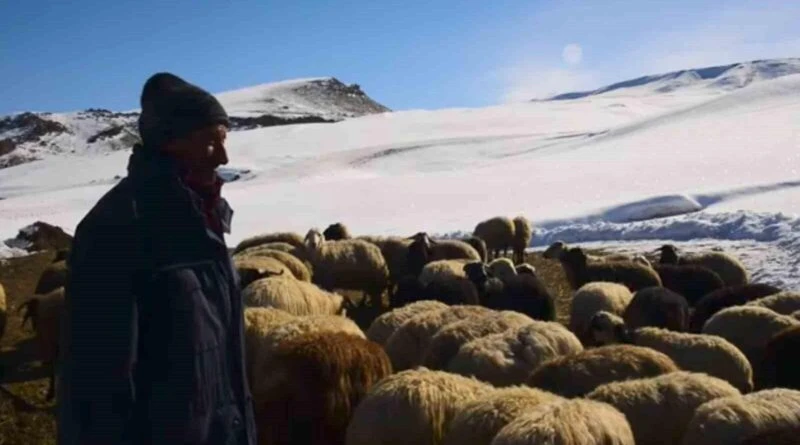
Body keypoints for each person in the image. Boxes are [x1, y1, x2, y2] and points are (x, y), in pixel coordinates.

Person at [57, 72, 256, 445]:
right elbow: (95, 389)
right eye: (210, 142)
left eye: (224, 140)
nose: (224, 156)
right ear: (171, 142)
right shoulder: (118, 228)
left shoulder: (206, 220)